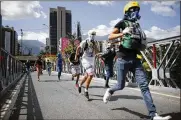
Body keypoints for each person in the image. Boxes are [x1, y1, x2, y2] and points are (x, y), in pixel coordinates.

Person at [102, 1, 171, 120]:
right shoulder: (122, 22)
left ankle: (153, 114)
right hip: (122, 58)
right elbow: (110, 36)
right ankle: (110, 90)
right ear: (127, 12)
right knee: (120, 85)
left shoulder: (137, 26)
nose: (135, 12)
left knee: (144, 85)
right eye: (132, 10)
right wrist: (122, 33)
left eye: (137, 10)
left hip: (136, 59)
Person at [75, 31, 100, 100]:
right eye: (92, 34)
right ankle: (86, 90)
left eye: (94, 34)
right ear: (89, 34)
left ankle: (80, 85)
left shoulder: (96, 42)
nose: (93, 35)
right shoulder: (84, 41)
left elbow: (97, 52)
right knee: (91, 75)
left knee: (86, 76)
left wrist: (94, 46)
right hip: (85, 60)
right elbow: (78, 48)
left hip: (92, 60)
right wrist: (76, 57)